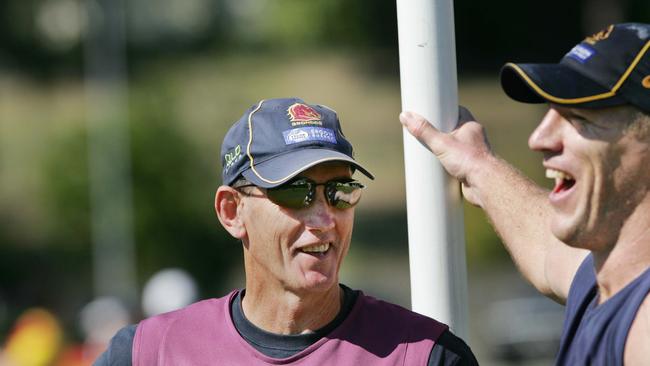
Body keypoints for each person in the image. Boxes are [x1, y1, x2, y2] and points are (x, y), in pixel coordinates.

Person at [95, 97, 478, 365]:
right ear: (232, 211)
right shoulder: (147, 353)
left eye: (339, 192)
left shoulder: (428, 355)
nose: (324, 218)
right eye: (297, 192)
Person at [400, 23, 650, 365]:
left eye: (578, 118)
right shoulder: (603, 280)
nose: (539, 139)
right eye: (551, 113)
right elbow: (547, 248)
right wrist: (479, 165)